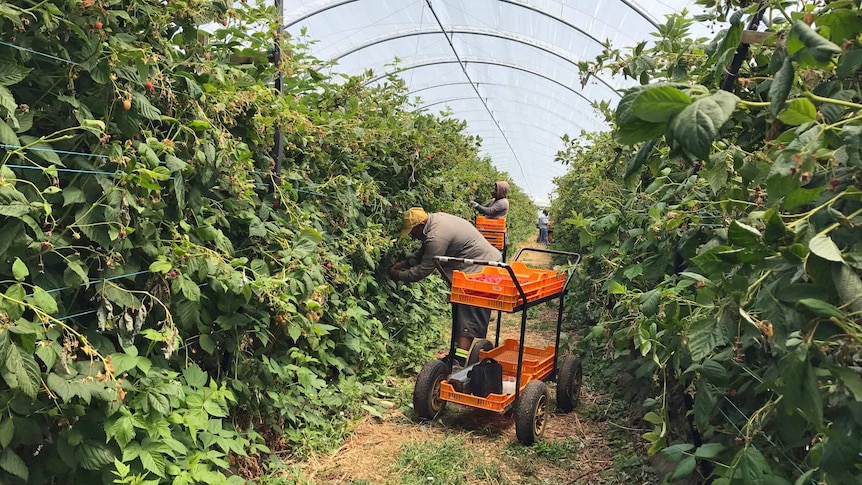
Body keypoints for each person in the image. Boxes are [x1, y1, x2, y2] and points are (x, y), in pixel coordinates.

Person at [389, 207, 502, 366]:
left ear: (420, 225)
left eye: (412, 232)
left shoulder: (437, 235)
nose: (413, 236)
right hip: (475, 266)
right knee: (461, 312)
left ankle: (459, 361)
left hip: (482, 268)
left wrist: (398, 275)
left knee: (467, 314)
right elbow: (424, 252)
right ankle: (455, 355)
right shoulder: (436, 221)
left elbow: (424, 269)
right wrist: (404, 263)